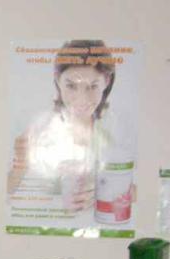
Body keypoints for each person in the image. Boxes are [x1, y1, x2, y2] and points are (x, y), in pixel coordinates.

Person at [8, 40, 128, 214]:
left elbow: (137, 189)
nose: (81, 98)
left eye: (92, 86)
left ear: (107, 81)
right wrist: (20, 165)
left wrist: (103, 189)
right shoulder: (33, 126)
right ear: (58, 79)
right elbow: (2, 191)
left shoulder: (117, 128)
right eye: (71, 86)